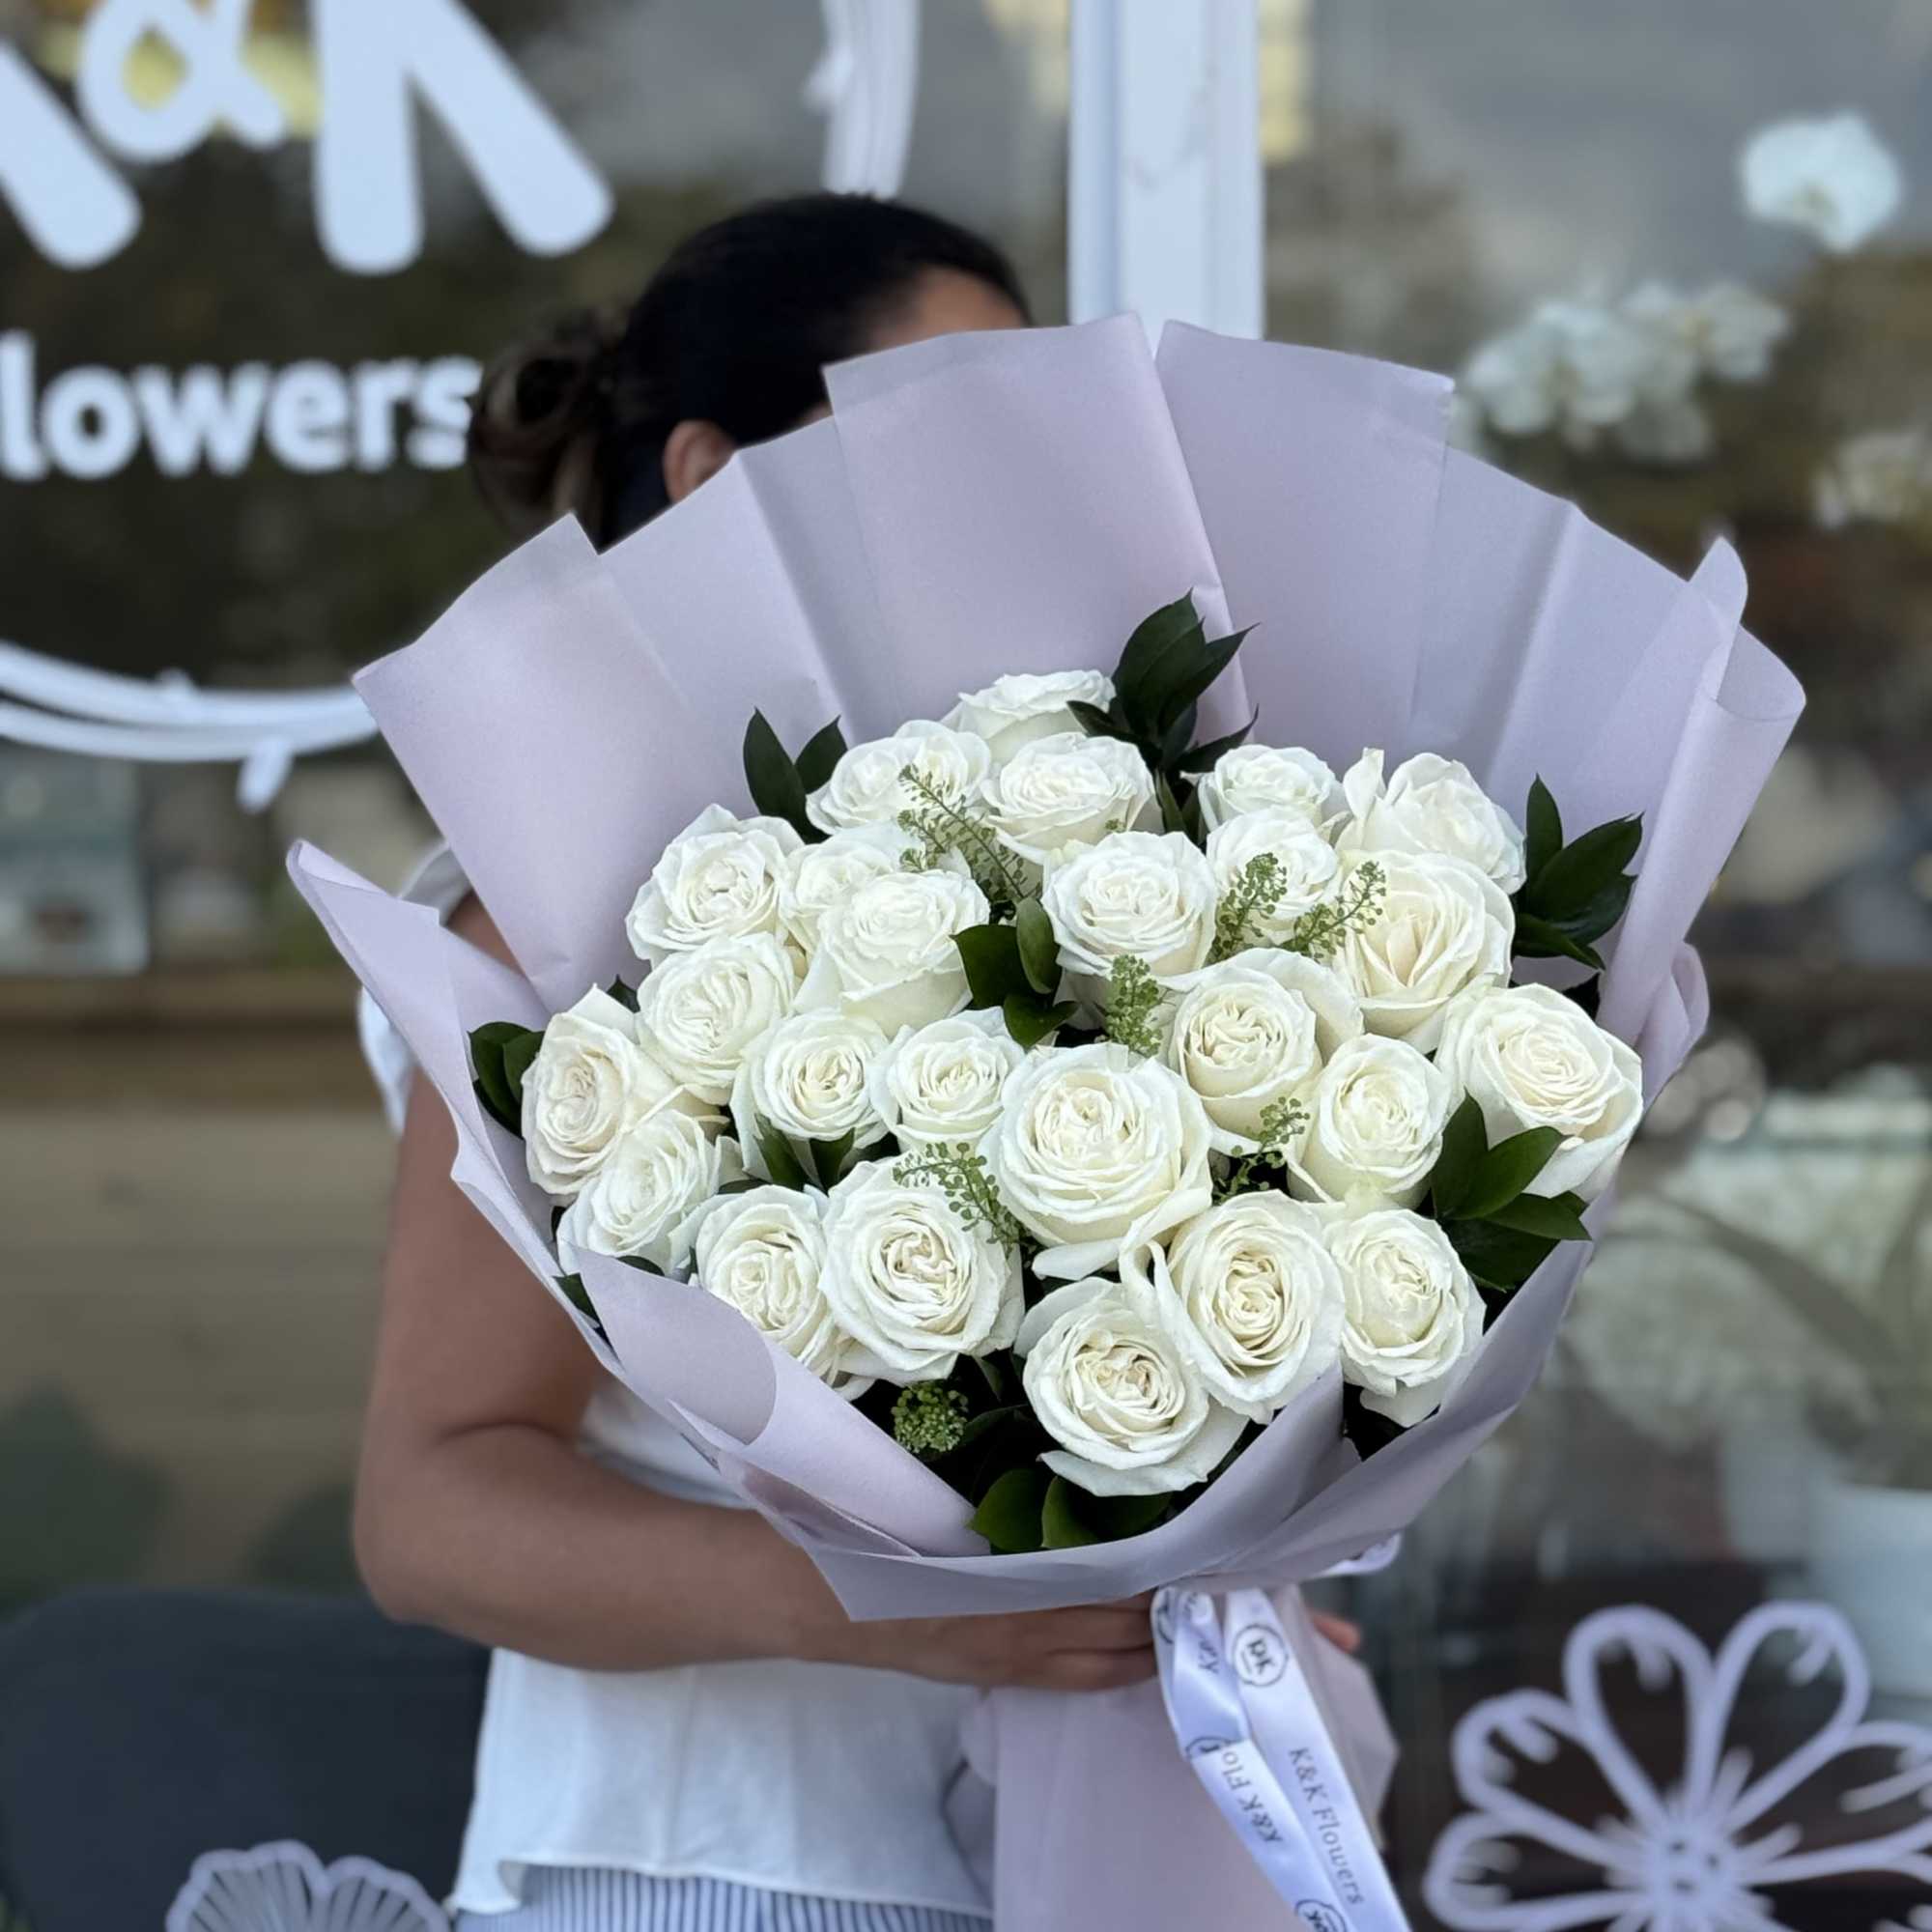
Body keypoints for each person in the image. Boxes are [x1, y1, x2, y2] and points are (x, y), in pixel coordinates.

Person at [364, 193, 1358, 1930]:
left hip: (1089, 1835)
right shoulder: (542, 909)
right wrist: (896, 1609)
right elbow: (430, 1504)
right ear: (708, 475)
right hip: (716, 1862)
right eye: (929, 426)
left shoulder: (1065, 855)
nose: (1000, 484)